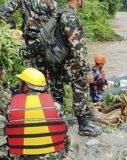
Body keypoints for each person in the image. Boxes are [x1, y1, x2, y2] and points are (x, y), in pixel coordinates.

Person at [4, 68, 69, 160]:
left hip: (28, 154)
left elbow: (11, 131)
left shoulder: (12, 107)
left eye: (22, 82)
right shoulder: (55, 106)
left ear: (26, 86)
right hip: (51, 154)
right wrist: (63, 151)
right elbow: (64, 131)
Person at [50, 0, 101, 137]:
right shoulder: (70, 17)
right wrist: (87, 70)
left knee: (59, 91)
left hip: (63, 62)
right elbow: (77, 47)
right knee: (80, 91)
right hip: (73, 64)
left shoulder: (64, 12)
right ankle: (83, 126)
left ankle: (60, 122)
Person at [0, 0, 59, 69]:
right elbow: (58, 24)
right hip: (48, 46)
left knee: (29, 73)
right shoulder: (52, 2)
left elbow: (4, 10)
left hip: (30, 46)